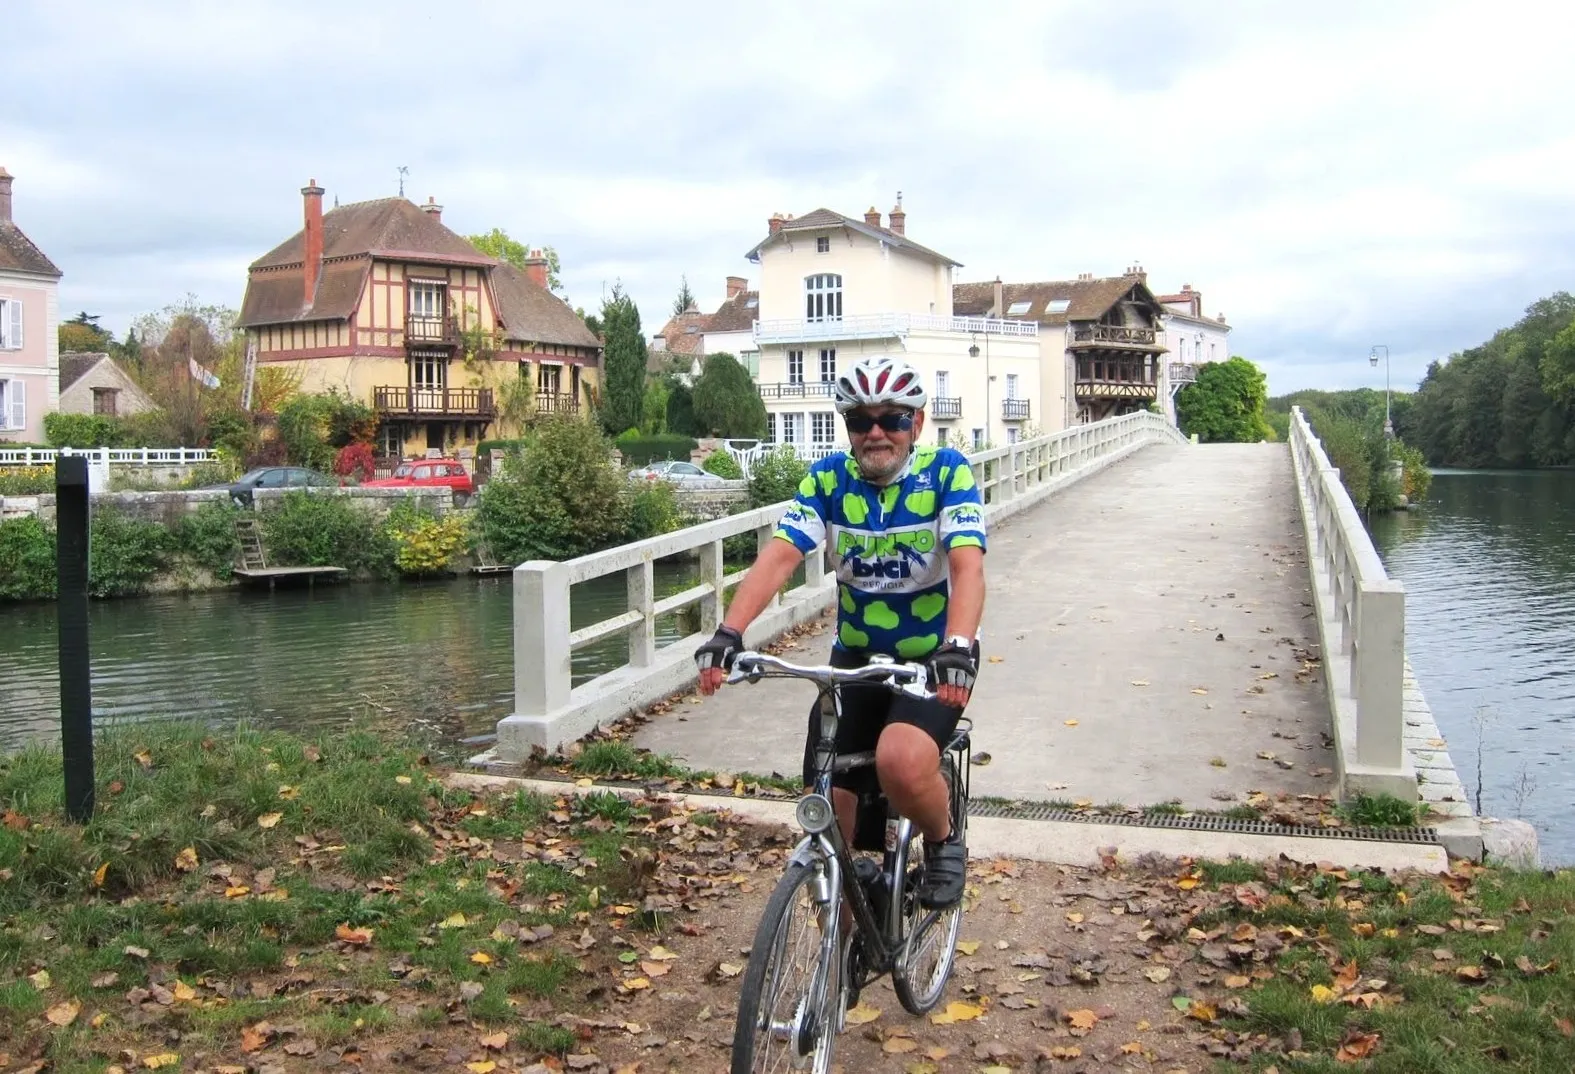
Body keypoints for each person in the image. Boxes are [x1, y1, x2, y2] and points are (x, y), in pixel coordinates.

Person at [694, 355, 986, 909]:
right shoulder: (828, 479)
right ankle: (842, 957)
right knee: (826, 817)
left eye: (893, 419)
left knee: (899, 761)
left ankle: (944, 843)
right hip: (853, 658)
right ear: (847, 427)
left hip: (932, 660)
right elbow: (781, 557)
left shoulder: (946, 472)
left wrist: (959, 647)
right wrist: (729, 632)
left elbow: (968, 567)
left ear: (916, 425)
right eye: (860, 420)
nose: (876, 432)